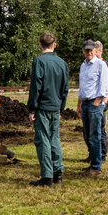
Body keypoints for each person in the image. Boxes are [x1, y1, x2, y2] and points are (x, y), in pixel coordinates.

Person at [26, 31, 68, 186]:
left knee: (43, 139)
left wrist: (32, 108)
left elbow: (36, 87)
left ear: (40, 45)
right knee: (54, 139)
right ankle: (58, 173)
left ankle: (47, 177)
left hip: (43, 107)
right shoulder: (62, 63)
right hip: (56, 107)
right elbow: (65, 88)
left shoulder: (39, 62)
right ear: (54, 45)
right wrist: (61, 108)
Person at [77, 39, 108, 176]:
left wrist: (98, 101)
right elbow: (82, 86)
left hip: (94, 104)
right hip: (85, 103)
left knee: (95, 135)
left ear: (95, 51)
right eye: (87, 50)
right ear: (83, 51)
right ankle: (92, 162)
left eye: (92, 50)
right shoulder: (83, 66)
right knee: (87, 134)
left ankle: (96, 167)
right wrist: (79, 105)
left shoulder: (101, 65)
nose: (89, 52)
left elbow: (104, 85)